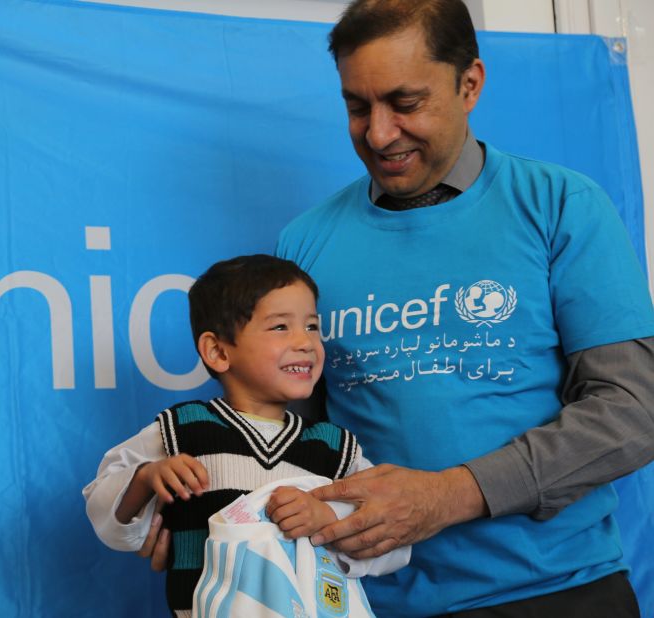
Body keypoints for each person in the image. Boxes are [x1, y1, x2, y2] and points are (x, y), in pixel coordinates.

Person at [270, 0, 654, 616]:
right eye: (357, 106)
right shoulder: (304, 243)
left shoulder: (560, 206)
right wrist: (212, 503)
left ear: (469, 82)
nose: (378, 133)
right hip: (371, 601)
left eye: (406, 103)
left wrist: (451, 495)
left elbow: (635, 411)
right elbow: (290, 434)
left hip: (556, 593)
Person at [83, 255, 409, 617]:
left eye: (313, 326)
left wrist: (327, 516)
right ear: (219, 351)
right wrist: (145, 479)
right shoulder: (184, 430)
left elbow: (391, 542)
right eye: (281, 327)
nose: (305, 342)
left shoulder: (337, 449)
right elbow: (107, 512)